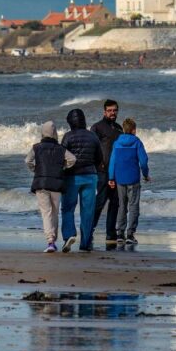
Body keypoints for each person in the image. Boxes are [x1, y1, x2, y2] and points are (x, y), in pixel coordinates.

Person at [25, 121, 77, 253]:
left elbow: (27, 161)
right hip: (57, 184)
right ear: (54, 133)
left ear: (43, 132)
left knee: (46, 213)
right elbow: (73, 159)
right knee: (54, 213)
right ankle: (53, 239)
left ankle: (50, 242)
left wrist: (35, 170)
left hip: (41, 184)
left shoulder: (36, 147)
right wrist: (63, 168)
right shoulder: (60, 149)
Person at [60, 108, 104, 253]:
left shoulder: (68, 136)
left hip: (72, 177)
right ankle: (85, 243)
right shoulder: (93, 136)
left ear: (71, 122)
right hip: (91, 176)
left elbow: (63, 157)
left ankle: (69, 235)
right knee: (88, 211)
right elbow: (99, 158)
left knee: (68, 208)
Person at [107, 118, 150, 245]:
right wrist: (146, 174)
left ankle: (120, 233)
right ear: (133, 130)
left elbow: (112, 162)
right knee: (133, 206)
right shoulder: (137, 142)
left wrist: (111, 178)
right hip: (133, 179)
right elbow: (143, 161)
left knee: (122, 205)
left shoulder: (117, 142)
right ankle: (130, 234)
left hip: (120, 179)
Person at [91, 99, 123, 245]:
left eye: (115, 110)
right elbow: (92, 148)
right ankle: (89, 230)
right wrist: (98, 165)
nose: (112, 113)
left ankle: (111, 234)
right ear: (104, 112)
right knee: (100, 203)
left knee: (115, 203)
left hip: (117, 172)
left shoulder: (119, 128)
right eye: (109, 110)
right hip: (102, 172)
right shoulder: (97, 127)